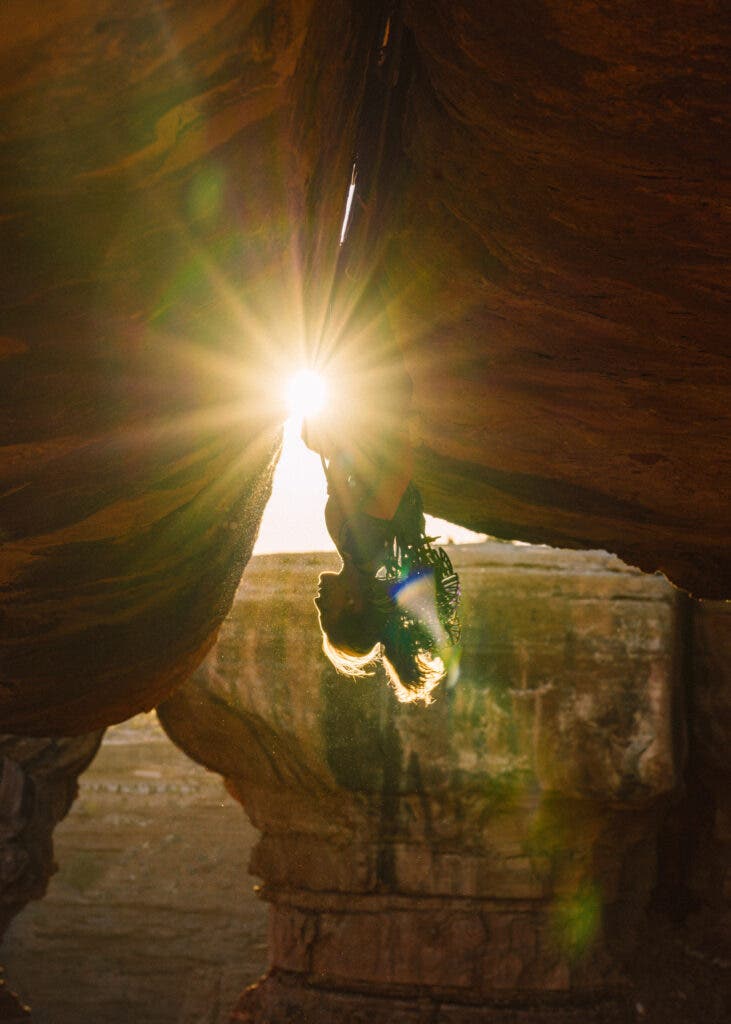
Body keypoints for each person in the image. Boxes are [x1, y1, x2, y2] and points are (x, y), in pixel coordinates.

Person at [302, 375, 461, 703]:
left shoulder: (359, 553)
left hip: (367, 407)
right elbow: (395, 473)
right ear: (352, 605)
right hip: (377, 398)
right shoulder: (370, 552)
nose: (317, 602)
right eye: (325, 612)